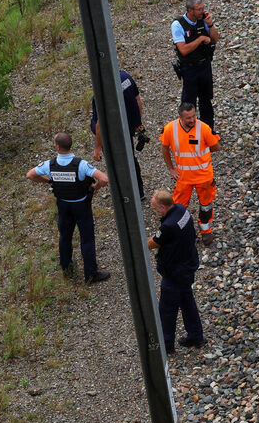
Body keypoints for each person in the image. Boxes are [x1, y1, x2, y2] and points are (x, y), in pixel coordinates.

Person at [26, 132, 111, 284]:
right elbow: (104, 178)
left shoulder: (49, 165)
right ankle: (90, 274)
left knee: (65, 237)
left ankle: (66, 269)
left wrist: (49, 181)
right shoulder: (81, 164)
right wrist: (96, 187)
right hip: (81, 205)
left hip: (63, 205)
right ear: (70, 145)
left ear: (57, 146)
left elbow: (30, 175)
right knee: (87, 239)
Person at [147, 189, 204, 354]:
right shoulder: (182, 210)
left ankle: (166, 345)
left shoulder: (167, 226)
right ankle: (196, 336)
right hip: (188, 265)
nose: (155, 212)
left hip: (174, 272)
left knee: (166, 310)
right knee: (187, 302)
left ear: (163, 207)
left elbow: (153, 243)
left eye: (156, 209)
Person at [160, 102, 220, 245]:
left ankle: (206, 232)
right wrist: (171, 168)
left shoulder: (204, 128)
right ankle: (183, 233)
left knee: (206, 205)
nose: (192, 120)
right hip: (183, 178)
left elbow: (217, 146)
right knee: (178, 207)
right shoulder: (170, 129)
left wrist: (200, 154)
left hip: (204, 176)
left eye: (193, 116)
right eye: (188, 118)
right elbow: (164, 148)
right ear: (180, 117)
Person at [90, 68, 146, 199]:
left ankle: (123, 193)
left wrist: (98, 147)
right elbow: (137, 100)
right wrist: (137, 123)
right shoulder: (126, 77)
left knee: (115, 163)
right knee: (131, 159)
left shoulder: (103, 92)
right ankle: (139, 192)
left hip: (112, 135)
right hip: (128, 128)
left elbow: (100, 124)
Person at [171, 0, 219, 133]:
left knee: (206, 101)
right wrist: (201, 38)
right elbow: (183, 50)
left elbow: (215, 39)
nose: (203, 11)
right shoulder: (178, 25)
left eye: (203, 8)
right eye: (199, 9)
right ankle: (187, 133)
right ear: (190, 10)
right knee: (188, 104)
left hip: (205, 66)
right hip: (189, 69)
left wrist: (210, 25)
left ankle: (208, 132)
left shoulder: (202, 20)